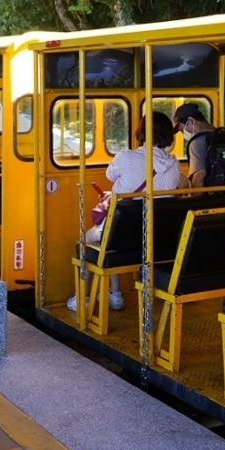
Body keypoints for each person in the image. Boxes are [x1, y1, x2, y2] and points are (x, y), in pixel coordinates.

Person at [68, 111, 183, 313]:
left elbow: (110, 174)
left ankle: (83, 298)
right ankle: (115, 295)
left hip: (121, 236)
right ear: (169, 136)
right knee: (113, 236)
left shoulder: (125, 157)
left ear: (141, 132)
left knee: (89, 239)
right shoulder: (174, 165)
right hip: (156, 238)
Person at [173, 103, 219, 188]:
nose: (183, 134)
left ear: (191, 121)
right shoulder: (223, 135)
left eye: (182, 130)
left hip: (211, 197)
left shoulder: (197, 142)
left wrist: (194, 199)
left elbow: (199, 176)